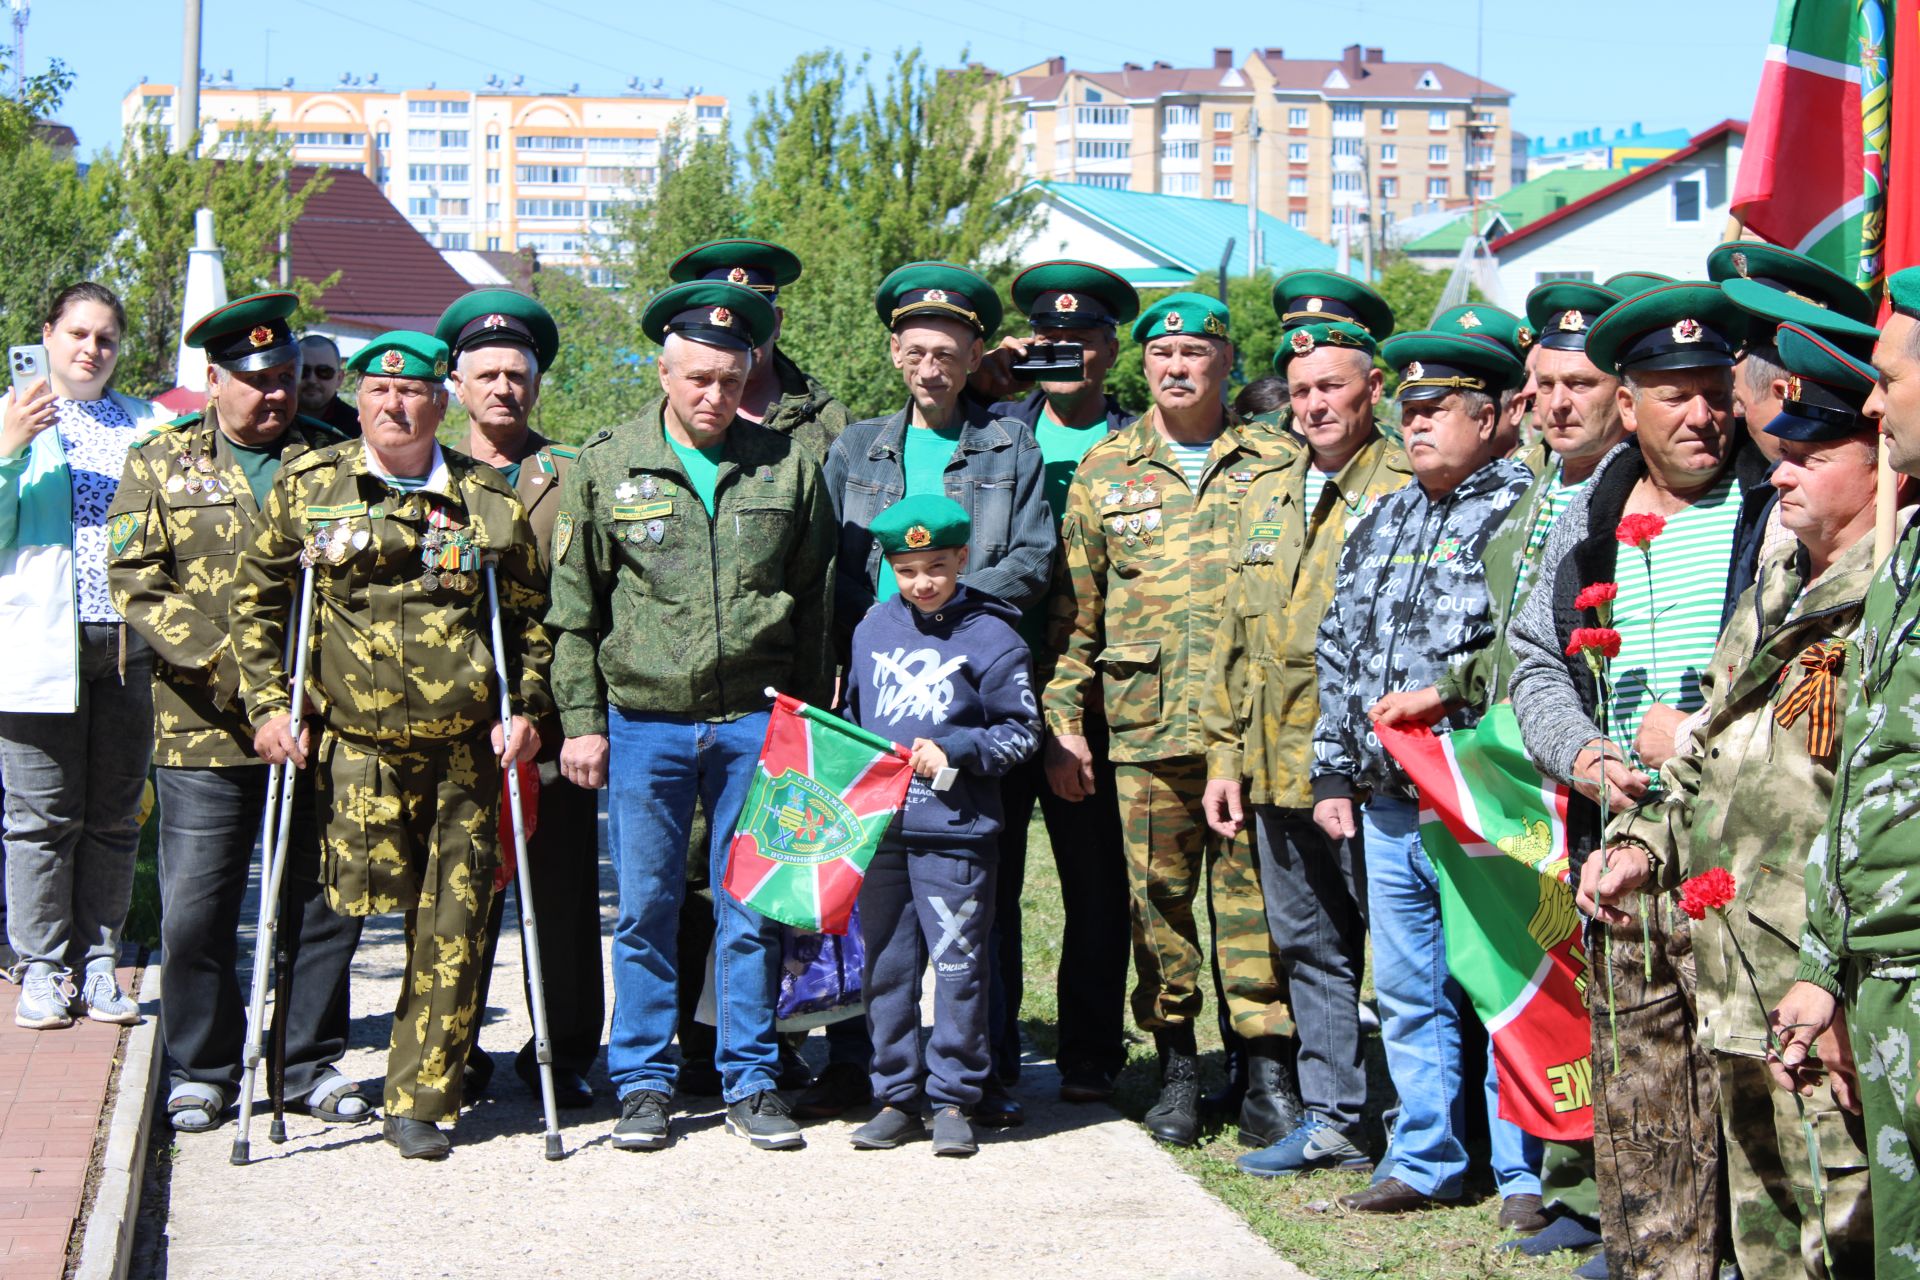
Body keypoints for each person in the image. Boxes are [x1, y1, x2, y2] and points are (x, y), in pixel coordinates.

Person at [1585, 317, 1882, 1280]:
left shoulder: (1888, 598)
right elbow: (1710, 743)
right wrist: (1637, 838)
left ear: (1882, 461)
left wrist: (1837, 974)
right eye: (1778, 455)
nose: (1780, 475)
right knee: (1768, 1230)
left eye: (1809, 456)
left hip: (1817, 969)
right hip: (1739, 964)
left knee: (1847, 1218)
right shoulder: (1784, 573)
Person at [232, 330, 549, 1160]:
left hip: (463, 756)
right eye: (376, 391)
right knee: (339, 911)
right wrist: (271, 708)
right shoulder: (310, 487)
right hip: (353, 751)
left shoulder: (486, 499)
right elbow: (257, 604)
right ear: (358, 397)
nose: (393, 405)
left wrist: (531, 710)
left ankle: (420, 1098)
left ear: (440, 402)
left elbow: (532, 619)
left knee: (455, 922)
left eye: (411, 394)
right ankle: (301, 1066)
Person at [1506, 282, 1770, 1278]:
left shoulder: (1771, 502)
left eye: (1716, 390)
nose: (1703, 414)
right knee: (1641, 1085)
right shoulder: (1593, 511)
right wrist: (1583, 751)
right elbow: (1536, 659)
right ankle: (1655, 1251)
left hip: (1742, 852)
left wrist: (1693, 736)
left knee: (1746, 1082)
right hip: (1619, 849)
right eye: (1676, 394)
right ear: (1630, 403)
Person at [547, 280, 835, 1154]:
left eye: (731, 379)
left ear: (752, 373)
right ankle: (642, 1080)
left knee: (753, 908)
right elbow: (575, 606)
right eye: (698, 378)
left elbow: (816, 596)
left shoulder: (787, 465)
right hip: (644, 724)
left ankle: (751, 1077)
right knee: (644, 906)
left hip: (757, 722)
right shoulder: (607, 463)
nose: (715, 396)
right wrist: (580, 721)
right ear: (665, 371)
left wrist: (808, 717)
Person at [106, 292, 368, 1132]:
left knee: (321, 901)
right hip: (202, 723)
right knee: (195, 908)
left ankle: (305, 1064)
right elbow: (138, 581)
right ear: (213, 378)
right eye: (257, 381)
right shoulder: (159, 462)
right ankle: (204, 1067)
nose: (276, 396)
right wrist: (240, 677)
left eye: (288, 378)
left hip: (321, 718)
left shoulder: (339, 457)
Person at [1046, 292, 1296, 1148]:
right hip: (1145, 729)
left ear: (1227, 363)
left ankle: (1264, 1070)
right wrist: (1065, 719)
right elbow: (1077, 615)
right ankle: (1179, 1065)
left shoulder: (1276, 462)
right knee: (1158, 906)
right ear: (1141, 366)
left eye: (1195, 352)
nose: (1177, 367)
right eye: (1162, 355)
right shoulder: (1105, 470)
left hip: (1257, 731)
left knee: (1255, 903)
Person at [808, 262, 1053, 1126]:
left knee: (976, 900)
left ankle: (978, 1080)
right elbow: (838, 572)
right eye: (915, 352)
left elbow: (1031, 556)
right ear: (894, 354)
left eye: (948, 353)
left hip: (969, 698)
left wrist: (951, 612)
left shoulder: (1006, 443)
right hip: (877, 700)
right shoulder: (856, 447)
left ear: (976, 354)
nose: (931, 369)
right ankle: (878, 1078)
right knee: (874, 909)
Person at [1311, 330, 1541, 1216]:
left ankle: (1523, 1169)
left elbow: (1521, 659)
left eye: (1435, 410)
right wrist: (1334, 774)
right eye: (1406, 411)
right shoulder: (1384, 516)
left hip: (1482, 796)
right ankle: (1425, 1157)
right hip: (1387, 801)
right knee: (1407, 993)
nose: (1415, 426)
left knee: (1500, 986)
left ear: (1490, 416)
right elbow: (1337, 652)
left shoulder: (1524, 512)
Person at [1201, 318, 1410, 1179]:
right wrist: (1222, 757)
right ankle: (1335, 1115)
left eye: (1332, 386)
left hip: (1370, 773)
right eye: (1302, 390)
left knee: (1402, 955)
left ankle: (1429, 1121)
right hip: (1273, 765)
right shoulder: (1269, 489)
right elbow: (1230, 634)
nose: (1315, 404)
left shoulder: (1408, 482)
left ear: (1373, 390)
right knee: (1310, 947)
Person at [1772, 265, 1920, 1276]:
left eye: (1886, 377)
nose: (1872, 402)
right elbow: (1869, 758)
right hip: (1885, 963)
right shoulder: (1909, 548)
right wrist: (1827, 962)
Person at [970, 260, 1138, 1107]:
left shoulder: (1136, 441)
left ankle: (1088, 1055)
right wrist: (980, 378)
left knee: (1096, 886)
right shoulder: (997, 426)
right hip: (995, 683)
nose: (1063, 351)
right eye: (1048, 340)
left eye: (1081, 339)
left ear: (1112, 350)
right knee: (987, 880)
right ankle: (992, 1049)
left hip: (1098, 691)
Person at [431, 289, 602, 1111]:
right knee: (457, 892)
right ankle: (449, 1048)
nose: (503, 388)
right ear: (457, 383)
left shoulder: (573, 474)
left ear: (536, 384)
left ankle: (565, 1051)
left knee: (562, 893)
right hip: (448, 719)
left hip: (553, 717)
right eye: (486, 374)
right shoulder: (425, 475)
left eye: (517, 374)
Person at [842, 495, 1040, 1156]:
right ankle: (896, 1093)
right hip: (882, 831)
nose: (922, 582)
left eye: (935, 566)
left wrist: (957, 752)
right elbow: (853, 718)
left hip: (957, 829)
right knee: (887, 969)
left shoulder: (995, 636)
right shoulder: (870, 628)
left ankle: (956, 1096)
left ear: (962, 557)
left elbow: (1022, 734)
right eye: (906, 569)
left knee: (960, 965)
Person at [0, 282, 167, 1028]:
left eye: (104, 337)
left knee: (113, 817)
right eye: (76, 334)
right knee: (39, 817)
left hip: (128, 644)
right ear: (47, 335)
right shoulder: (13, 418)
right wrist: (8, 448)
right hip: (40, 643)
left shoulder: (147, 423)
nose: (90, 349)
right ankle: (39, 966)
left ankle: (98, 964)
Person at [667, 238, 850, 460]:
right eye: (727, 323)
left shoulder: (829, 422)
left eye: (752, 320)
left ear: (777, 323)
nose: (740, 335)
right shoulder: (660, 422)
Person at [295, 333, 359, 437]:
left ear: (339, 378)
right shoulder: (275, 420)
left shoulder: (359, 427)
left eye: (324, 372)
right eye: (303, 371)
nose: (312, 380)